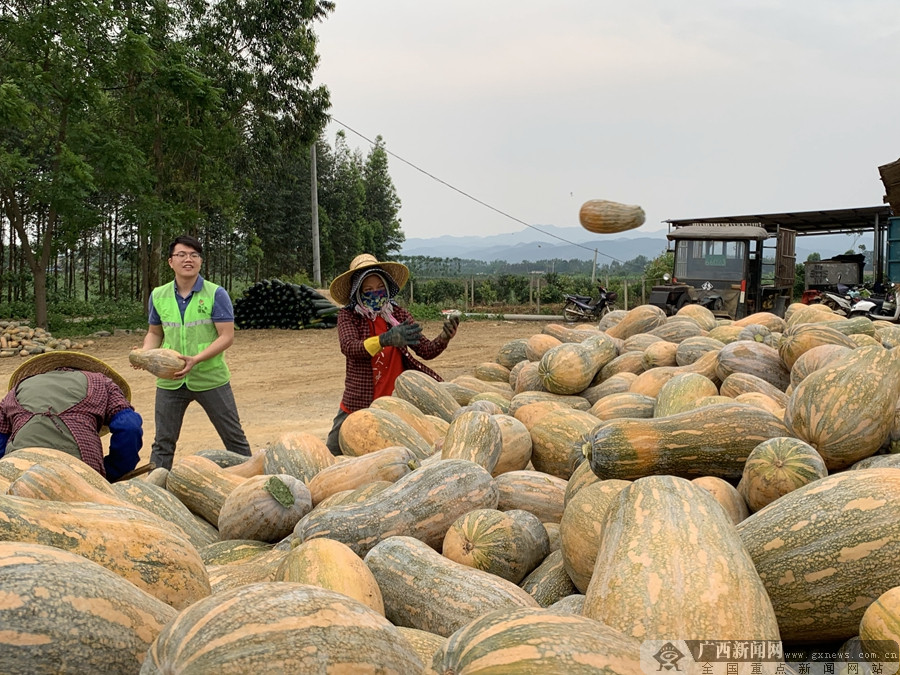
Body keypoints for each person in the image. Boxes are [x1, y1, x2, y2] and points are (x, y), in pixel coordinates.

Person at [325, 253, 460, 455]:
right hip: (359, 401)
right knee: (333, 451)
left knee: (398, 455)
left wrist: (444, 337)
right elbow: (349, 347)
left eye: (379, 287)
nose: (375, 293)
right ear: (357, 292)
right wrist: (384, 339)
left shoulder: (398, 315)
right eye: (368, 290)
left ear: (387, 287)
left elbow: (426, 350)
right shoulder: (349, 316)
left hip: (397, 403)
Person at [139, 234, 251, 470]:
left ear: (200, 261)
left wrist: (196, 359)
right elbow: (155, 333)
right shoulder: (158, 295)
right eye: (181, 254)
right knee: (163, 443)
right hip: (170, 381)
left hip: (210, 378)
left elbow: (226, 336)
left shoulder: (215, 294)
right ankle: (156, 493)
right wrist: (145, 354)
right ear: (171, 262)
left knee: (234, 439)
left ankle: (254, 485)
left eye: (194, 255)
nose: (187, 259)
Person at [0, 352, 143, 481]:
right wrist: (114, 471)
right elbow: (129, 426)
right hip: (81, 473)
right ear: (84, 371)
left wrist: (5, 469)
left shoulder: (19, 387)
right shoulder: (101, 382)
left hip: (16, 470)